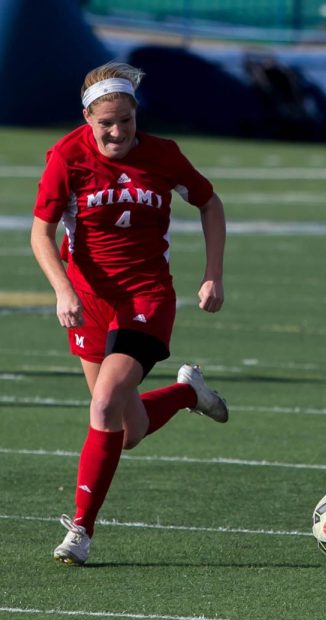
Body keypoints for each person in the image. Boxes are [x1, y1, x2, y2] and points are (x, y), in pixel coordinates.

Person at [31, 62, 229, 565]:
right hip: (88, 304)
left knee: (102, 408)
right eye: (106, 123)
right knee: (128, 430)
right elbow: (41, 233)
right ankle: (189, 392)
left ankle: (80, 530)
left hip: (146, 298)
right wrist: (62, 290)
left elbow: (209, 202)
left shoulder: (163, 155)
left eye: (126, 120)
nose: (118, 131)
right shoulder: (66, 157)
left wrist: (213, 274)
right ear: (87, 118)